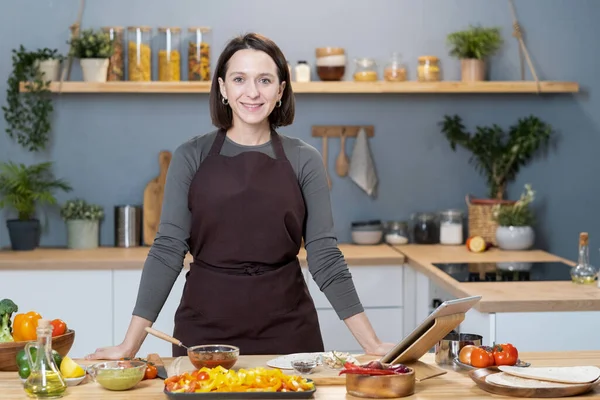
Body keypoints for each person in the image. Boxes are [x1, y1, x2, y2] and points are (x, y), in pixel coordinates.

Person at [86, 33, 396, 360]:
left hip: (288, 331)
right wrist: (129, 345)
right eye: (239, 79)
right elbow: (167, 251)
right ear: (223, 88)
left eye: (264, 80)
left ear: (281, 90)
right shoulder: (190, 156)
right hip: (205, 332)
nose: (252, 92)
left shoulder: (305, 159)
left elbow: (324, 255)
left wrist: (371, 344)